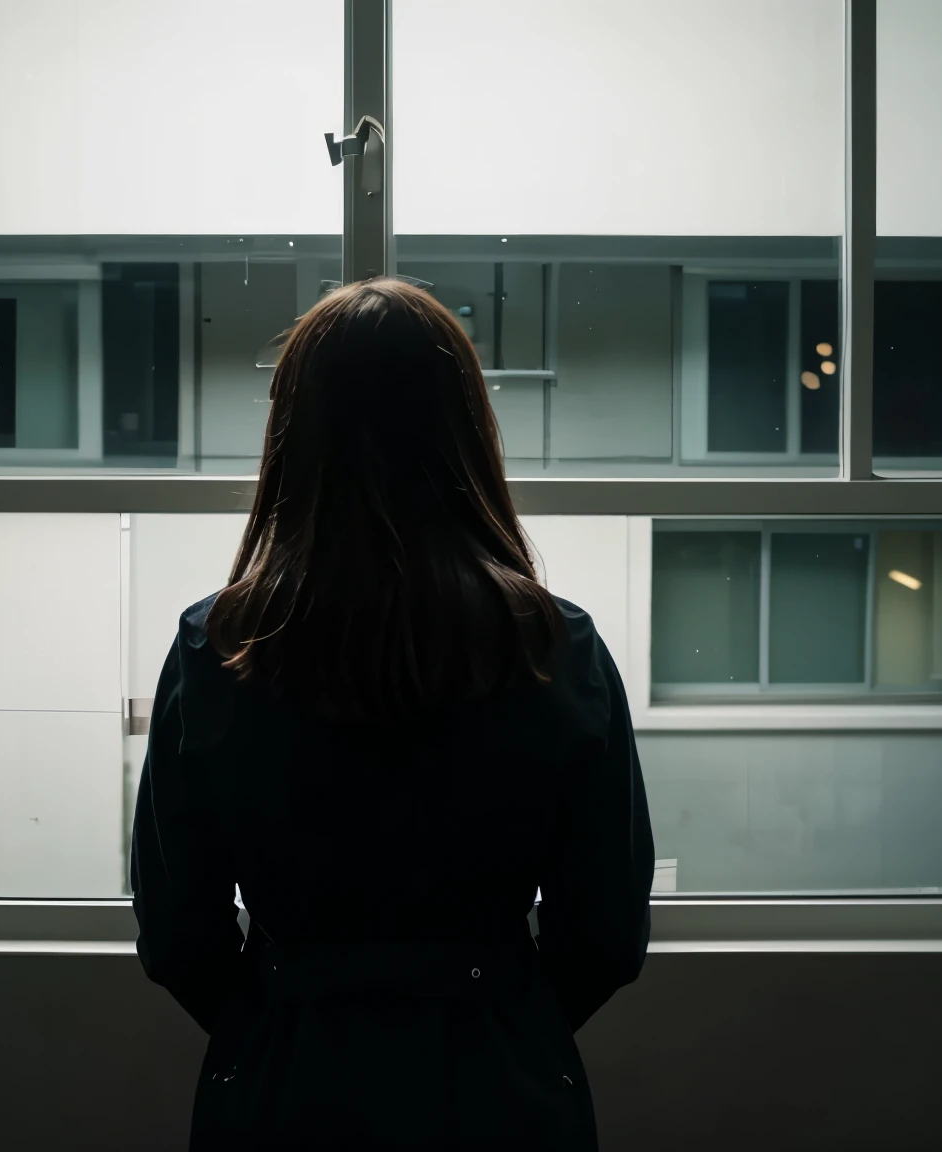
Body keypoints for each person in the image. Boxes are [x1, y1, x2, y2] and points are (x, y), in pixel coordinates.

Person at [131, 278, 654, 1150]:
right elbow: (605, 932)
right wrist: (499, 1013)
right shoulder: (556, 648)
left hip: (282, 1086)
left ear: (292, 438)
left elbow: (175, 928)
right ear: (466, 432)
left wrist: (278, 1012)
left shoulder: (216, 648)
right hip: (501, 1089)